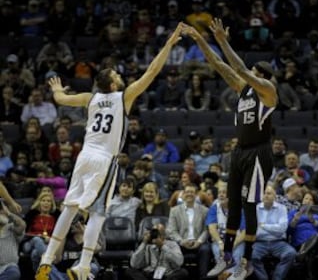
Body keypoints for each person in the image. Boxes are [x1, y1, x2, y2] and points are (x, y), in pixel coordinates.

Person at [35, 23, 183, 280]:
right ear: (112, 83)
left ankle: (47, 257)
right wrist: (169, 43)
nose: (119, 75)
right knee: (98, 212)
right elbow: (152, 71)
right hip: (104, 159)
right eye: (116, 74)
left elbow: (60, 100)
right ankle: (83, 265)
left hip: (84, 156)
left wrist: (57, 88)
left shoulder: (90, 98)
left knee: (70, 207)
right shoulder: (123, 97)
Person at [182, 18, 277, 278]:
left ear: (264, 77)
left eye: (256, 72)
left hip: (259, 153)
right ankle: (226, 258)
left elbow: (240, 69)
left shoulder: (268, 91)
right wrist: (200, 38)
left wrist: (223, 40)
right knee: (232, 204)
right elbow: (219, 64)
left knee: (249, 206)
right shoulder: (244, 90)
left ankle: (245, 261)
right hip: (240, 152)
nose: (251, 74)